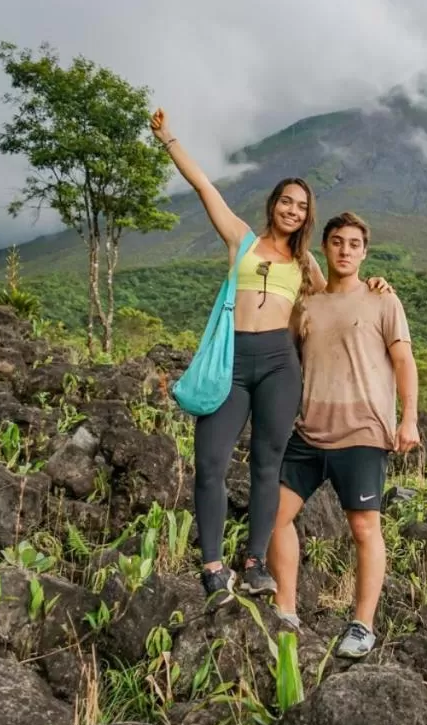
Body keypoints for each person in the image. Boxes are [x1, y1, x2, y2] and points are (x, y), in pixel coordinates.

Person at [149, 109, 392, 607]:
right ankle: (214, 565)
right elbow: (203, 188)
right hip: (233, 363)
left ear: (307, 216)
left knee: (267, 465)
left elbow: (336, 304)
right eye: (286, 201)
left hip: (280, 366)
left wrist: (375, 286)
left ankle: (255, 562)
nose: (293, 210)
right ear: (274, 205)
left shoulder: (305, 265)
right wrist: (168, 138)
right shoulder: (242, 241)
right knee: (211, 463)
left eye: (302, 207)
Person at [267, 211, 420, 658]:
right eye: (337, 242)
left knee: (363, 527)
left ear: (364, 252)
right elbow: (284, 362)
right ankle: (286, 611)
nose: (345, 250)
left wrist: (408, 418)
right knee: (275, 515)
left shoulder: (383, 301)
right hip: (310, 431)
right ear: (326, 247)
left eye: (354, 244)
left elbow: (404, 362)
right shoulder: (307, 306)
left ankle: (362, 625)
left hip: (364, 431)